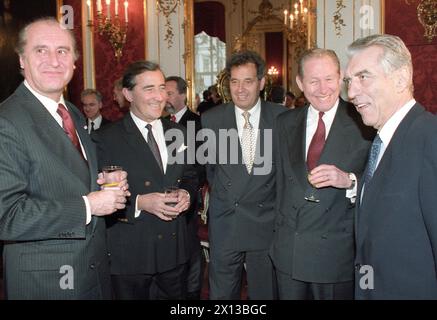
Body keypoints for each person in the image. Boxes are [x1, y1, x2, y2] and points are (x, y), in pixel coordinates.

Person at [0, 17, 129, 299]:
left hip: (91, 270)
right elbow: (6, 217)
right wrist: (88, 205)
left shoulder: (71, 111)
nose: (53, 60)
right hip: (47, 282)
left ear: (74, 62)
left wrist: (101, 181)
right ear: (22, 60)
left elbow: (68, 175)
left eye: (62, 51)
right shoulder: (6, 120)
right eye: (40, 50)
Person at [270, 48, 373, 300]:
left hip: (336, 256)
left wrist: (349, 180)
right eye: (313, 81)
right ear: (300, 83)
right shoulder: (284, 122)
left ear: (341, 79)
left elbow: (383, 184)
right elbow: (275, 184)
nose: (322, 88)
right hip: (289, 254)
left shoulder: (365, 121)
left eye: (329, 79)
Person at [94, 61, 199, 300]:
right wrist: (140, 203)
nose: (159, 96)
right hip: (130, 257)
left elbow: (191, 176)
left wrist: (187, 194)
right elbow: (96, 196)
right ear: (128, 94)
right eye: (149, 89)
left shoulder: (179, 133)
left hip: (174, 254)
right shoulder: (105, 139)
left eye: (162, 88)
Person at [345, 34, 437, 299]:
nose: (351, 93)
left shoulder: (429, 138)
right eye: (349, 81)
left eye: (363, 77)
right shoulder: (380, 142)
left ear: (400, 78)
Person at [201, 50, 286, 299]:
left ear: (261, 83)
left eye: (248, 81)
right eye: (234, 81)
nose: (240, 89)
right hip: (226, 222)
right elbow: (212, 171)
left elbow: (285, 175)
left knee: (265, 294)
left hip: (266, 224)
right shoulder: (211, 119)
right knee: (222, 295)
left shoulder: (282, 118)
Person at [164, 75, 205, 300]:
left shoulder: (197, 123)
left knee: (189, 248)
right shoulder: (160, 122)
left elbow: (201, 164)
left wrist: (184, 189)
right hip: (163, 196)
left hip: (187, 196)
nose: (165, 98)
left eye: (169, 93)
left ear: (182, 94)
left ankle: (191, 293)